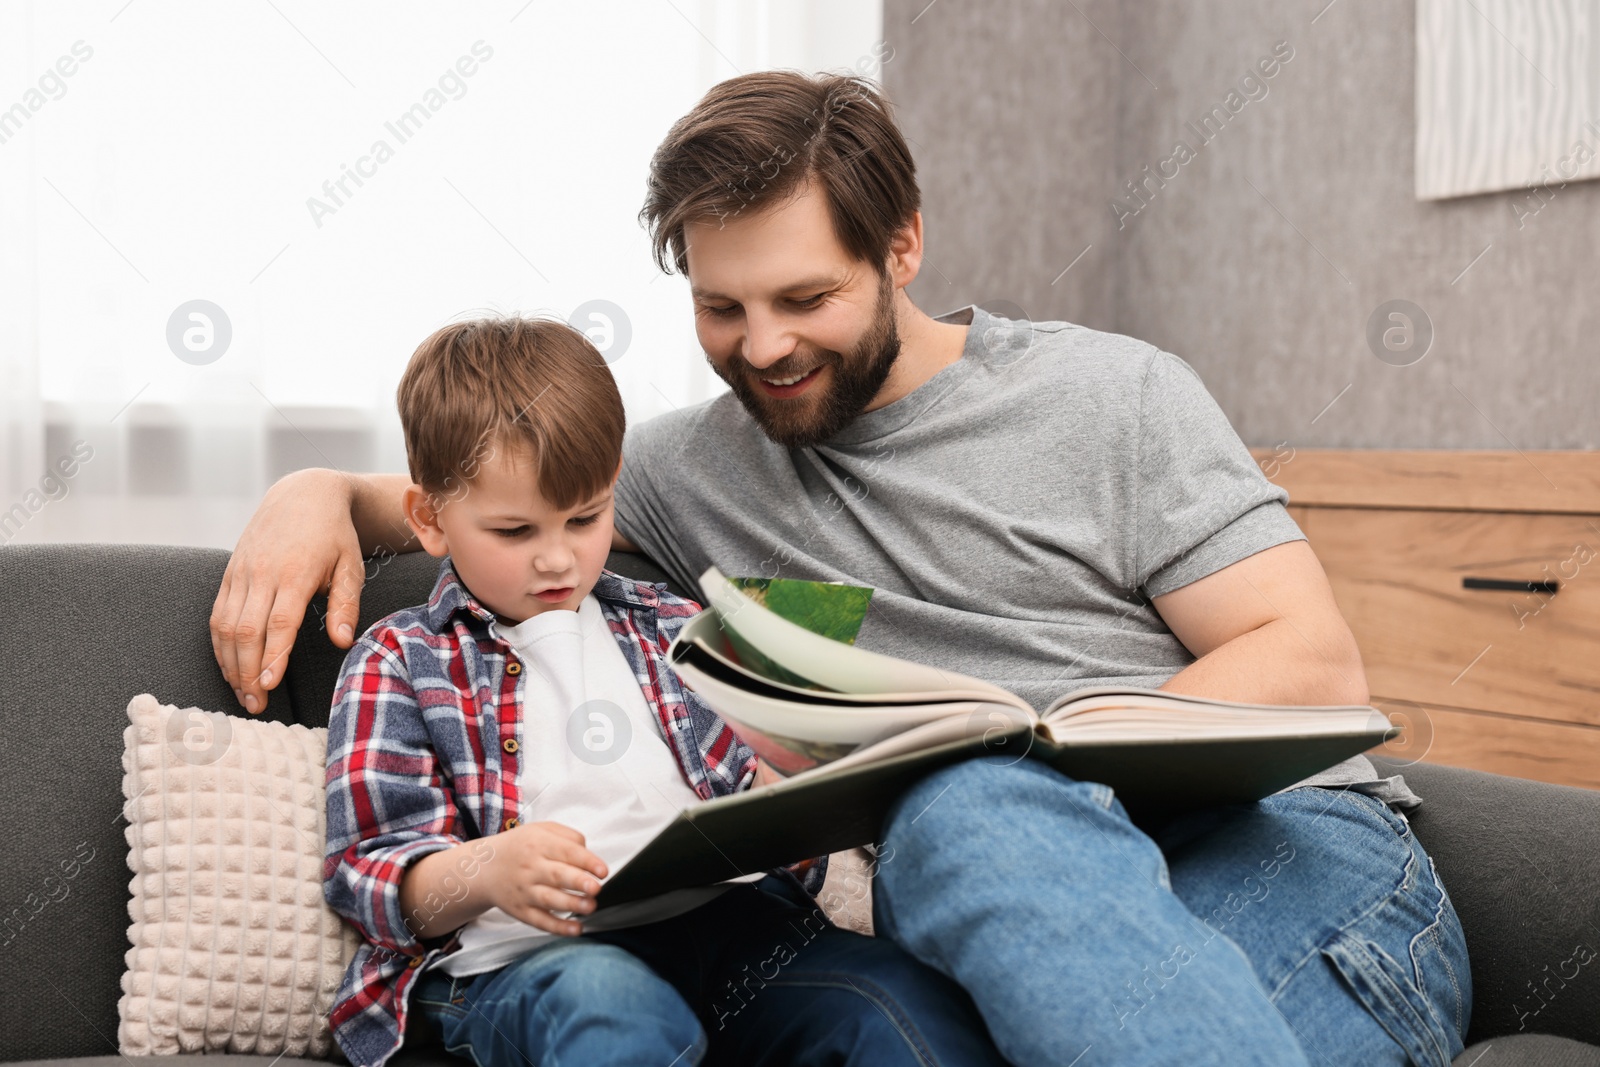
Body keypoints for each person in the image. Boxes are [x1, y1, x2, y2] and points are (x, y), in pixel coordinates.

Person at [227, 72, 1469, 1066]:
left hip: (1274, 855)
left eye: (803, 295)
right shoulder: (676, 471)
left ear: (903, 246)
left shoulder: (1109, 395)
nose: (761, 348)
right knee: (946, 853)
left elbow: (1308, 659)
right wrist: (311, 495)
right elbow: (499, 501)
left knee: (973, 799)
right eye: (721, 308)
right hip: (992, 916)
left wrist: (1042, 755)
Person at [320, 316, 1004, 1067]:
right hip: (534, 959)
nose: (557, 558)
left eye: (585, 518)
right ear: (430, 518)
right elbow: (370, 873)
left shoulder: (679, 628)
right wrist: (491, 869)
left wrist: (794, 794)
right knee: (614, 1017)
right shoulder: (402, 656)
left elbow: (775, 821)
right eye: (516, 531)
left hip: (734, 924)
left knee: (898, 1005)